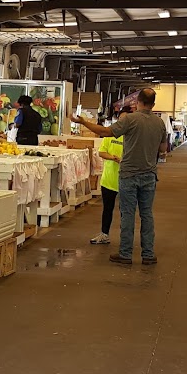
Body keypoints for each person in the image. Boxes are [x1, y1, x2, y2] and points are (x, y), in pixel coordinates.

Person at [73, 88, 167, 266]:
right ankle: (148, 254)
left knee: (128, 214)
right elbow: (162, 150)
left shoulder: (130, 120)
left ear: (137, 102)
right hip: (149, 175)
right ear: (153, 104)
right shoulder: (160, 123)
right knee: (147, 214)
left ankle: (126, 253)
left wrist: (84, 122)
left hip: (129, 174)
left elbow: (105, 132)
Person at [90, 107, 130, 245]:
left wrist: (124, 160)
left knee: (126, 212)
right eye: (121, 118)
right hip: (109, 179)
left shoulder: (132, 136)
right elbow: (101, 153)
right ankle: (104, 234)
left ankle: (125, 240)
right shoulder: (111, 134)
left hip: (126, 180)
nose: (123, 121)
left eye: (126, 119)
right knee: (107, 209)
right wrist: (113, 158)